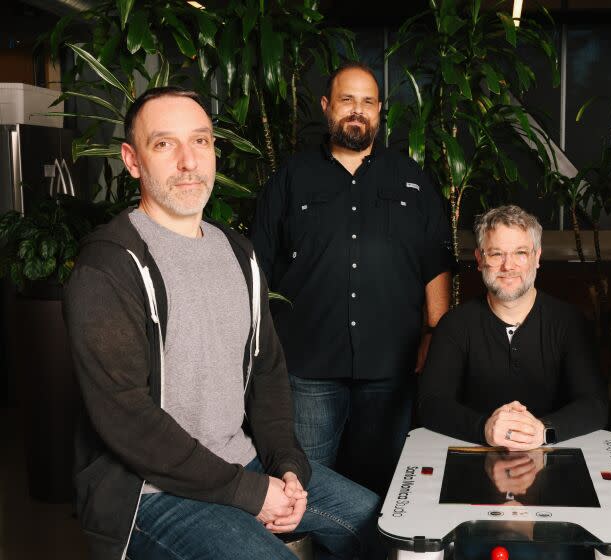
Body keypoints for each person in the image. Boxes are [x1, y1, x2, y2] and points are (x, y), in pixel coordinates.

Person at [63, 86, 381, 560]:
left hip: (242, 463)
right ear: (132, 160)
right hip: (151, 493)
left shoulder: (237, 252)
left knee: (382, 525)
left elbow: (267, 373)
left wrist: (287, 466)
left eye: (201, 141)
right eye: (164, 144)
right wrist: (252, 493)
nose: (189, 162)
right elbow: (127, 420)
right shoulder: (109, 269)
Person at [251, 62, 454, 496]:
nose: (357, 111)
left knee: (385, 490)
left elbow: (435, 262)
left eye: (367, 102)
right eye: (347, 100)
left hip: (390, 367)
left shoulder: (412, 181)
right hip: (308, 367)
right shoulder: (289, 179)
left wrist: (434, 334)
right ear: (327, 107)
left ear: (380, 111)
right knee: (306, 486)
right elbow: (259, 269)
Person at [417, 205, 607, 466]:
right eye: (496, 254)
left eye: (520, 253)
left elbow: (595, 404)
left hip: (554, 459)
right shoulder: (455, 325)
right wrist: (484, 428)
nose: (508, 266)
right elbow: (430, 403)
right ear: (480, 258)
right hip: (471, 459)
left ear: (537, 257)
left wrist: (542, 431)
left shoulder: (569, 322)